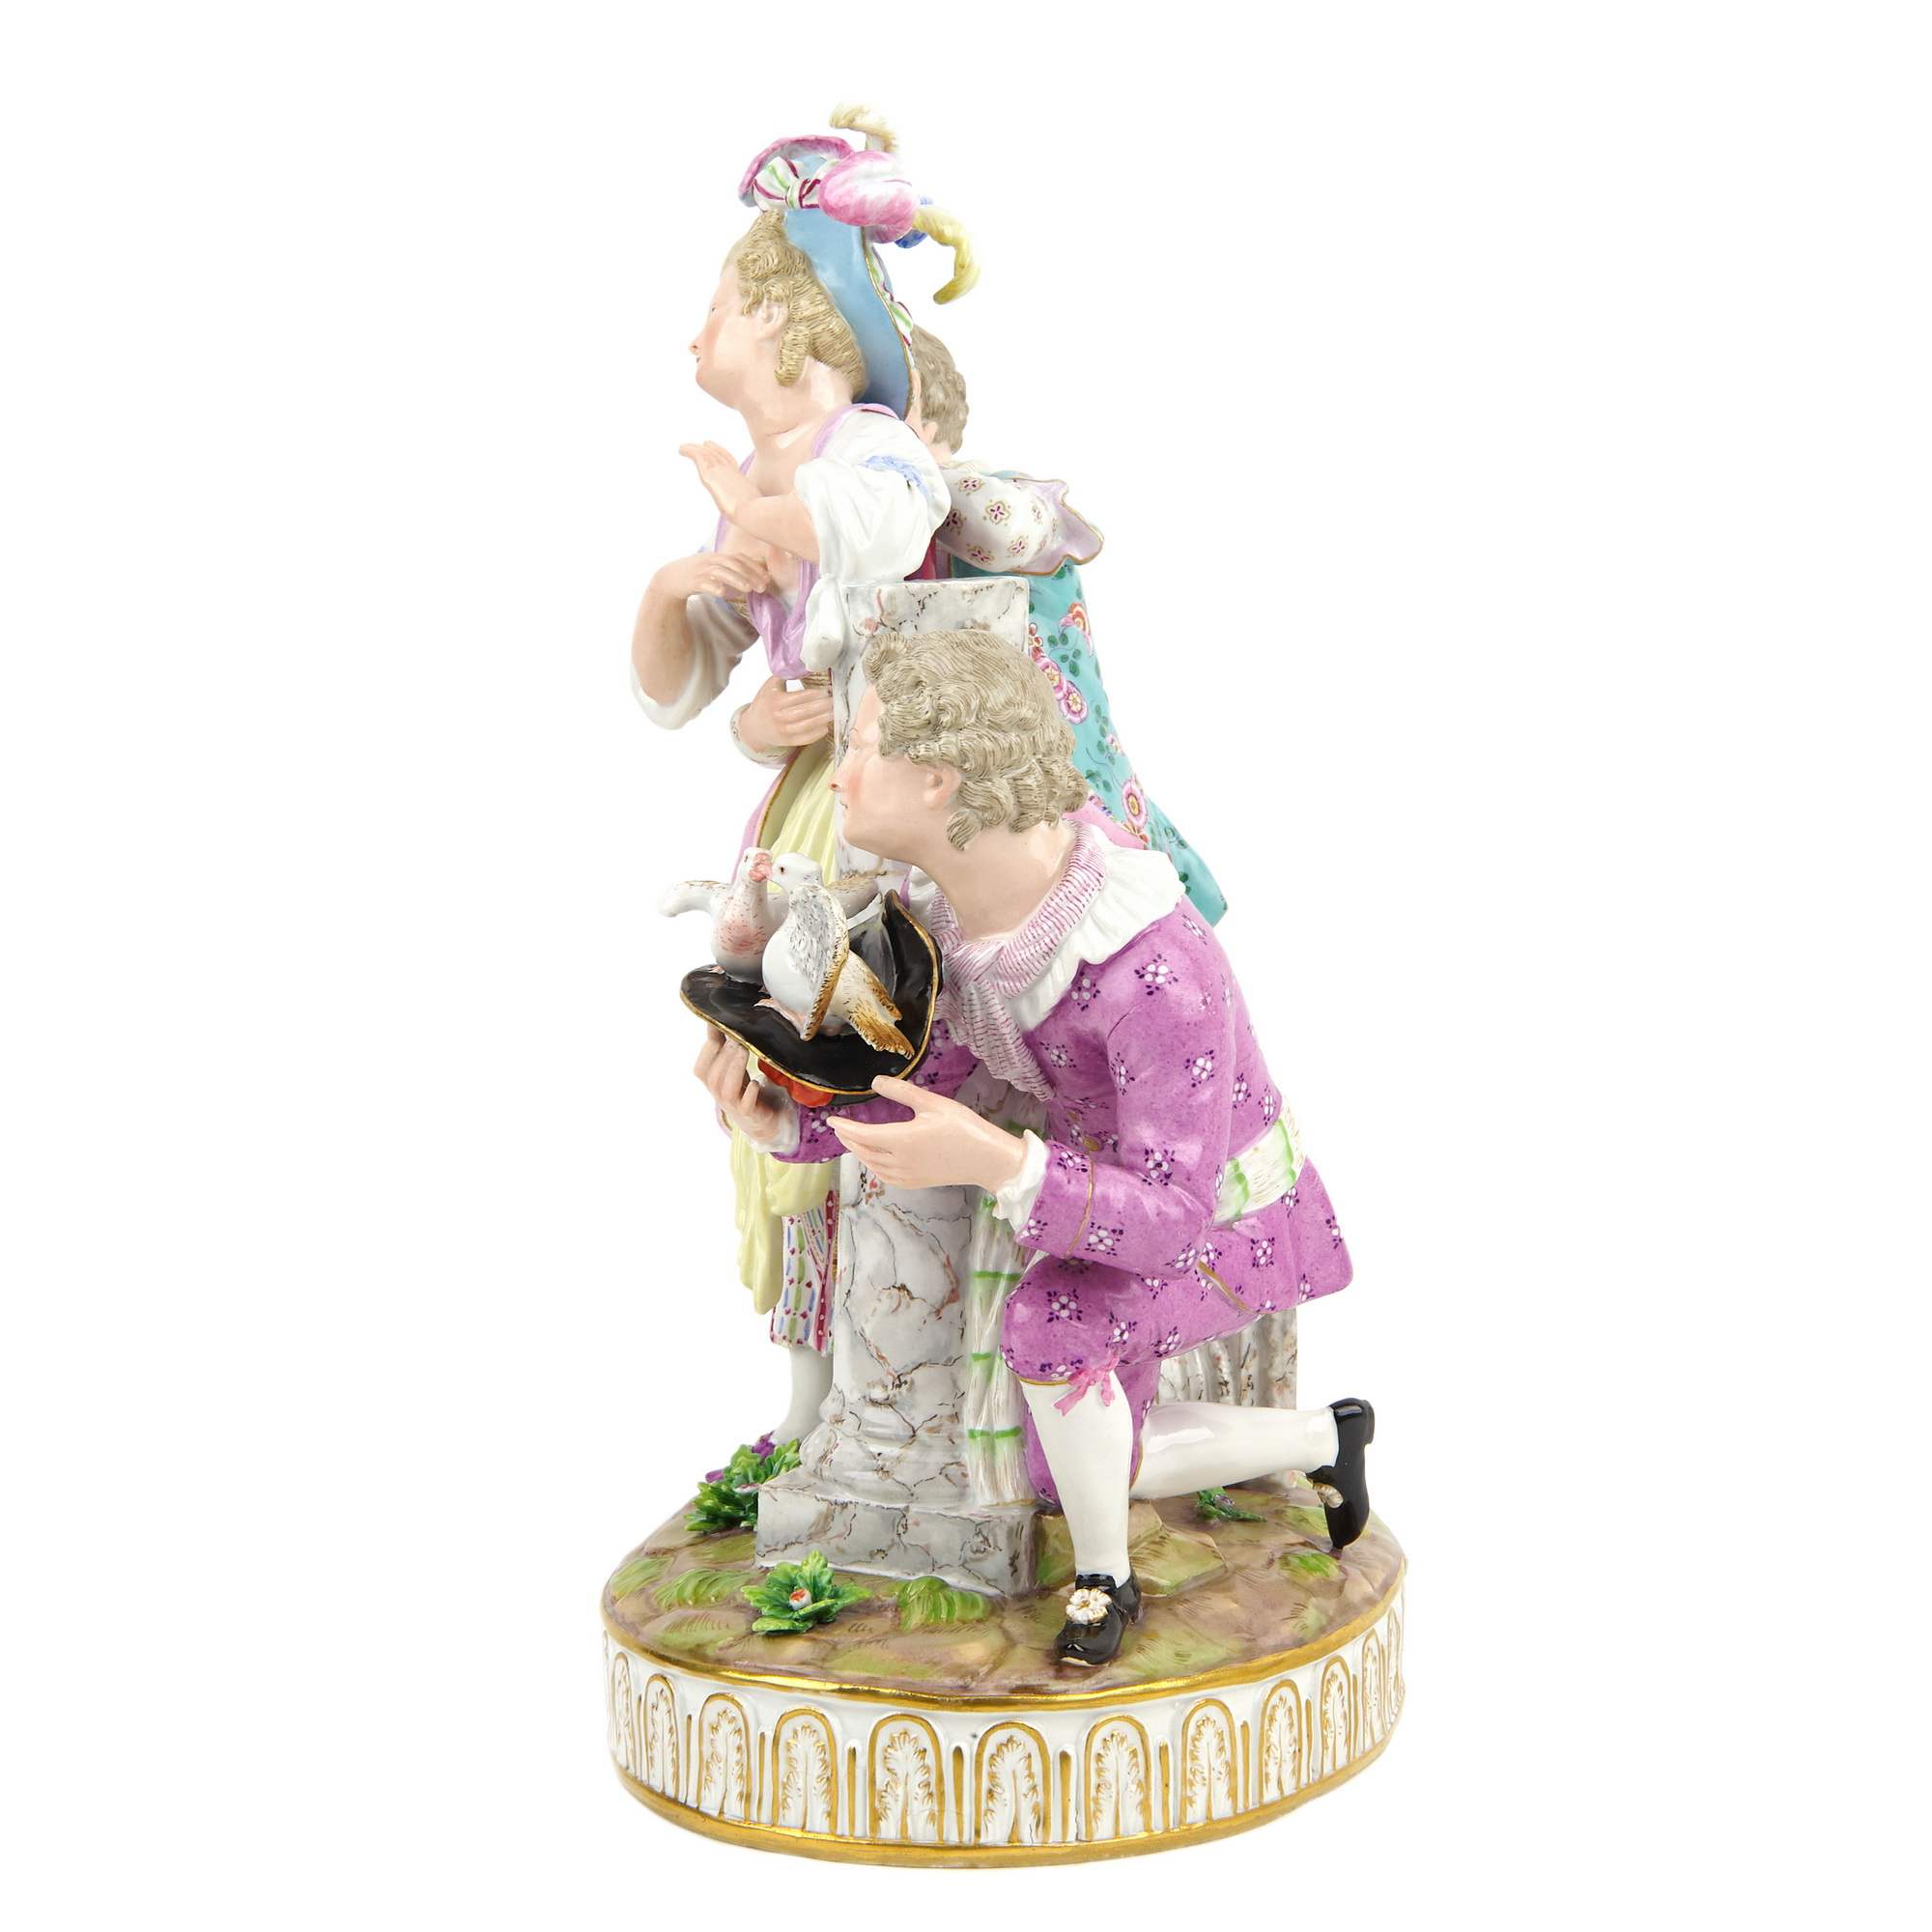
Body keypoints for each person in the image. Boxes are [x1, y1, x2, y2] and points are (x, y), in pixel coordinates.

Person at [695, 628, 1373, 1667]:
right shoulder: (949, 919)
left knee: (1050, 1322)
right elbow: (924, 1083)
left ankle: (1107, 1577)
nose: (837, 771)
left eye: (860, 745)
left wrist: (1003, 1163)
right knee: (1063, 1460)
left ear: (939, 779)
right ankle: (1329, 1437)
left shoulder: (1148, 967)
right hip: (1105, 1191)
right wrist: (783, 1123)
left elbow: (1173, 1213)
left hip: (1224, 1214)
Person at [631, 115, 971, 1442]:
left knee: (853, 1062)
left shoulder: (868, 448)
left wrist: (754, 504)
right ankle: (813, 1387)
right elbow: (680, 687)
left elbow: (880, 532)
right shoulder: (767, 488)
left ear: (785, 321)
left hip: (891, 823)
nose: (695, 333)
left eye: (718, 306)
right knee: (773, 1073)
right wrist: (680, 587)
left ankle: (907, 1380)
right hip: (802, 818)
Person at [905, 323, 1227, 923]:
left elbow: (1002, 531)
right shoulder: (876, 542)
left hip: (1064, 775)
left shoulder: (1000, 501)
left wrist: (907, 468)